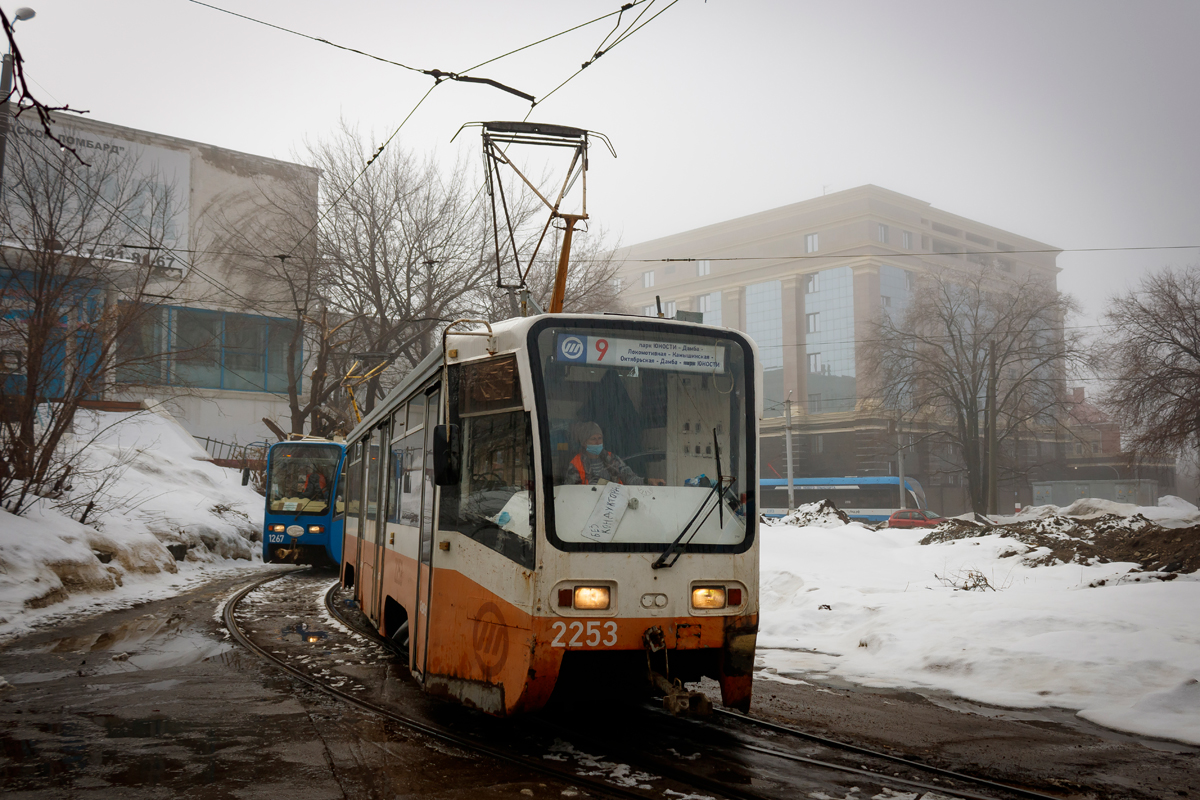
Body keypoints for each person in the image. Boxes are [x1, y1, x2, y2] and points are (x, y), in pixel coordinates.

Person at [565, 422, 665, 486]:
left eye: (600, 438)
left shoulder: (612, 458)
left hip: (613, 505)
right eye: (593, 439)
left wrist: (648, 481)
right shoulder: (575, 464)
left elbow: (630, 478)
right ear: (584, 442)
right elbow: (571, 492)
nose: (598, 442)